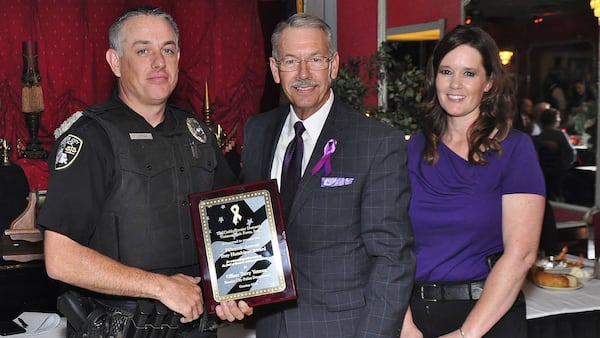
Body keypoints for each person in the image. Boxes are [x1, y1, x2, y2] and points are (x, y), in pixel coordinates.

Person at [37, 6, 251, 337]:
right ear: (115, 61)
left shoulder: (197, 132)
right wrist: (160, 287)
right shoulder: (91, 138)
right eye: (142, 50)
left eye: (167, 49)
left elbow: (230, 230)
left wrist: (236, 287)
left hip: (195, 327)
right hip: (122, 328)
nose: (158, 61)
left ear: (179, 58)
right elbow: (61, 259)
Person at [237, 13, 415, 338]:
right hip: (270, 326)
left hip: (344, 329)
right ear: (275, 70)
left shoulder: (376, 143)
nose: (303, 73)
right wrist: (234, 286)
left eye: (315, 59)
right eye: (291, 60)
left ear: (332, 65)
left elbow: (392, 259)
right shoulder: (258, 131)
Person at [401, 25, 545, 338]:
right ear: (434, 78)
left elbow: (521, 254)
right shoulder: (410, 150)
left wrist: (467, 334)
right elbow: (387, 245)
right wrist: (404, 324)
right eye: (446, 71)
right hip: (411, 320)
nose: (455, 84)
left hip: (486, 320)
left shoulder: (515, 150)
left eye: (469, 73)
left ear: (489, 82)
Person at [533, 108, 576, 201]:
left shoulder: (539, 137)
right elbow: (571, 153)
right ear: (555, 120)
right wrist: (567, 166)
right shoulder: (560, 135)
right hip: (558, 172)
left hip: (542, 171)